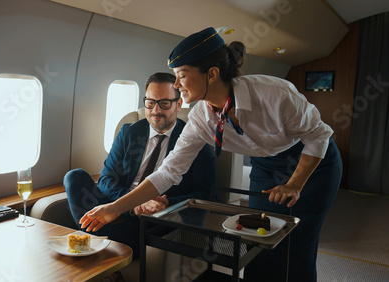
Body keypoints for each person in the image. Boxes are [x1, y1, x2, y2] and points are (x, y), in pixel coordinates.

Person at [80, 28, 342, 281]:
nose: (176, 84)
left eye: (182, 75)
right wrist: (113, 208)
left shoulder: (274, 94)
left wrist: (295, 184)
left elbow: (319, 136)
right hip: (266, 166)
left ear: (212, 73)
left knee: (296, 244)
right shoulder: (201, 119)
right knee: (260, 240)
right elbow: (168, 172)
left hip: (313, 161)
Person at [64, 72, 216, 258]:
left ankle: (98, 245)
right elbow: (107, 179)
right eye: (150, 102)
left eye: (164, 103)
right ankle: (111, 248)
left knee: (148, 224)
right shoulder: (129, 132)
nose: (156, 110)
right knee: (74, 176)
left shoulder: (194, 141)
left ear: (179, 104)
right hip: (118, 206)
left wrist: (168, 203)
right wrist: (132, 204)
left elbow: (207, 195)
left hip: (155, 217)